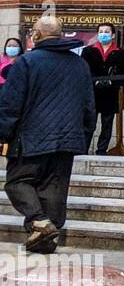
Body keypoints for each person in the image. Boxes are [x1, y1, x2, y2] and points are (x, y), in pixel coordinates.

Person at [0, 14, 95, 252]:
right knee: (54, 186)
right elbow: (88, 106)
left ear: (37, 35)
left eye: (34, 31)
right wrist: (83, 137)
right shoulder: (80, 64)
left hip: (31, 137)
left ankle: (40, 222)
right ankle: (45, 238)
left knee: (18, 182)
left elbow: (10, 104)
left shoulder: (26, 62)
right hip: (68, 139)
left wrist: (3, 135)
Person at [82, 21, 124, 154]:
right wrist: (95, 82)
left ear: (113, 35)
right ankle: (83, 150)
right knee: (89, 124)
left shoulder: (120, 53)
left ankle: (101, 150)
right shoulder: (88, 51)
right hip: (92, 93)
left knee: (107, 123)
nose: (103, 34)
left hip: (110, 93)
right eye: (101, 32)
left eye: (107, 32)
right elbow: (84, 70)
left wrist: (112, 82)